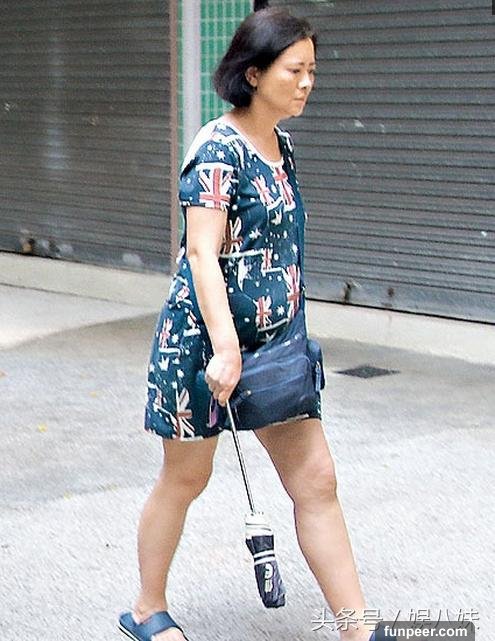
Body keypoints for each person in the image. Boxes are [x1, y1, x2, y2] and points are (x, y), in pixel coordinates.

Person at [119, 8, 386, 641]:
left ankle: (359, 629)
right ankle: (147, 609)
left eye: (312, 70)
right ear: (254, 73)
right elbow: (201, 253)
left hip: (274, 350)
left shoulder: (281, 145)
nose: (307, 82)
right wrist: (226, 348)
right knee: (186, 478)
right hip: (204, 348)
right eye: (295, 70)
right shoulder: (217, 149)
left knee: (316, 480)